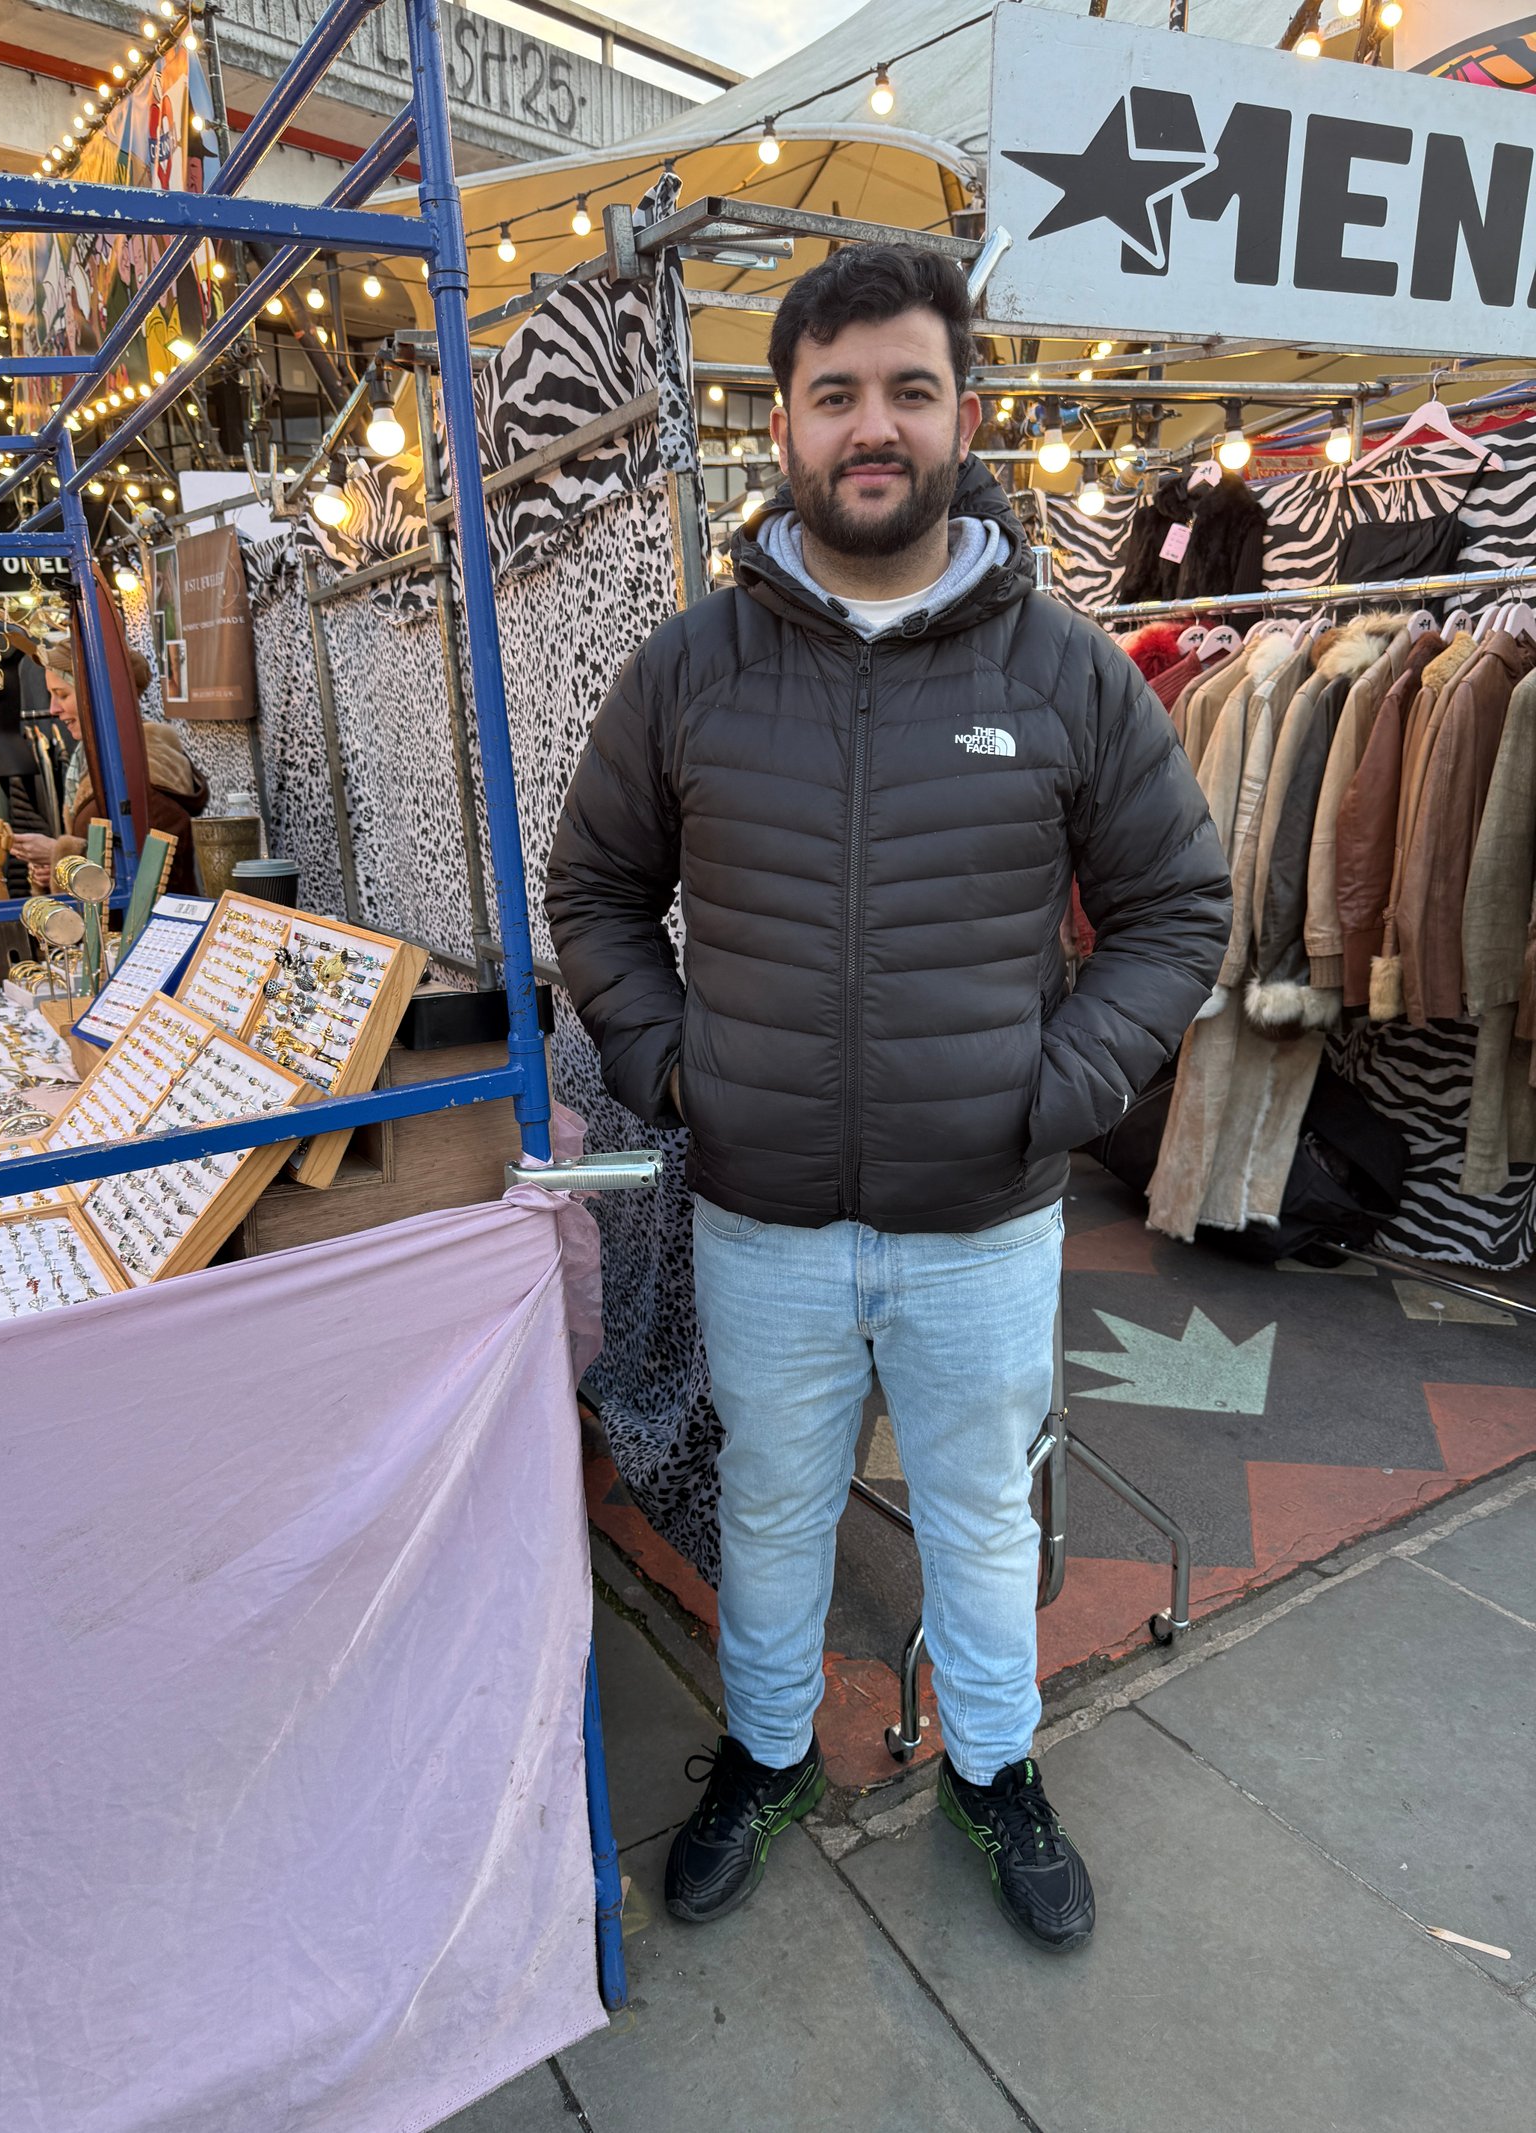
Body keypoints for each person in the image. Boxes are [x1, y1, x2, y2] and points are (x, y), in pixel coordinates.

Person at [546, 245, 1231, 1953]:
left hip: (980, 1214)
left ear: (965, 415)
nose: (874, 427)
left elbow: (1179, 910)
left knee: (983, 1508)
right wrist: (677, 1063)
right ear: (780, 420)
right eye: (837, 392)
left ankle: (1000, 1771)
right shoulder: (689, 670)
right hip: (760, 1209)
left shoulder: (1063, 670)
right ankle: (766, 1753)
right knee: (771, 1495)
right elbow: (593, 896)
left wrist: (1057, 1083)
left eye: (909, 390)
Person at [10, 642, 209, 895]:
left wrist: (58, 854)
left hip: (151, 930)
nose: (53, 709)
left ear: (96, 696)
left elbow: (150, 871)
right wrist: (56, 868)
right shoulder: (96, 758)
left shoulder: (146, 769)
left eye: (62, 695)